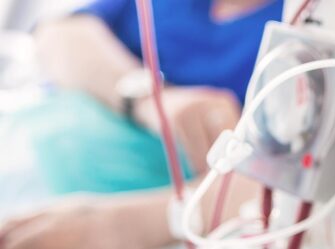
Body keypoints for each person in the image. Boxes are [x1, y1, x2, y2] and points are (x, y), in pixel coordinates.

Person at [0, 0, 285, 248]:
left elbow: (287, 185)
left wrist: (123, 227)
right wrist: (150, 99)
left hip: (140, 208)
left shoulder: (299, 29)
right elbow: (59, 34)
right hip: (25, 155)